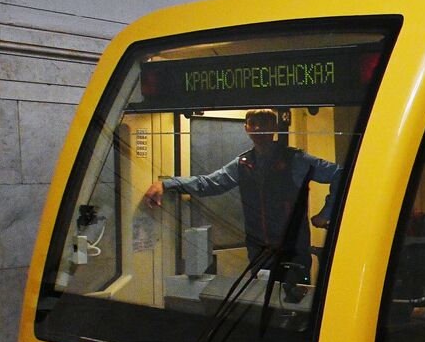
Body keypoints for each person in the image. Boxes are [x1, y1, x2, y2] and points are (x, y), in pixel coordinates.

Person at [143, 109, 341, 297]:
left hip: (293, 254)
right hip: (259, 255)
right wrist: (167, 184)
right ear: (246, 128)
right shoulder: (243, 164)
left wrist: (326, 213)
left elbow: (339, 175)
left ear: (274, 127)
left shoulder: (295, 160)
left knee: (292, 310)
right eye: (253, 124)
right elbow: (209, 184)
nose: (258, 129)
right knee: (262, 304)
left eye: (264, 123)